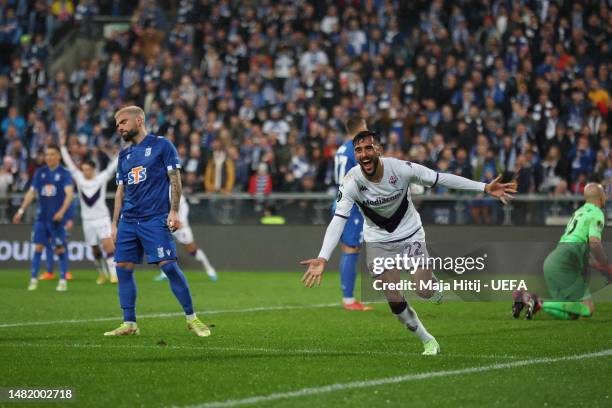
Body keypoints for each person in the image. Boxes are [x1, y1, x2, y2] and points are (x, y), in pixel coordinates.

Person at [301, 131, 516, 355]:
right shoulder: (351, 182)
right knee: (393, 297)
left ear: (378, 151)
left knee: (424, 291)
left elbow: (440, 177)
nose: (363, 154)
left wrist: (483, 187)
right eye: (358, 150)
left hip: (410, 234)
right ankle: (427, 340)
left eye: (368, 148)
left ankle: (431, 283)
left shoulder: (400, 169)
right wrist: (323, 256)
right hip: (378, 241)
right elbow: (338, 221)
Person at [105, 105, 210, 337]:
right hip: (128, 222)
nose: (119, 127)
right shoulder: (124, 155)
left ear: (139, 120)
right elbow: (120, 191)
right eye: (117, 124)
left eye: (123, 122)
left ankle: (192, 318)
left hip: (154, 218)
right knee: (122, 268)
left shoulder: (162, 145)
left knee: (169, 266)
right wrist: (114, 223)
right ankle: (129, 323)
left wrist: (174, 212)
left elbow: (175, 180)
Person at [514, 183, 611, 320]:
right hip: (566, 263)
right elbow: (594, 243)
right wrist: (605, 264)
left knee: (571, 314)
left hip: (553, 261)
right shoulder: (596, 213)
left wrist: (598, 266)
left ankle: (527, 299)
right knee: (587, 308)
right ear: (600, 197)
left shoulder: (578, 212)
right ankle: (538, 302)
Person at [13, 145, 74, 292]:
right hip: (41, 218)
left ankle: (62, 280)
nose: (49, 157)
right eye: (47, 155)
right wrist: (21, 211)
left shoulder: (64, 174)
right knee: (38, 246)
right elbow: (31, 193)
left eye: (52, 154)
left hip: (57, 220)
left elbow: (69, 195)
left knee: (59, 248)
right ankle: (33, 279)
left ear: (58, 156)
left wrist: (61, 212)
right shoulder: (40, 173)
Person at [59, 135, 119, 284]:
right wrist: (62, 147)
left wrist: (123, 151)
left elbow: (112, 166)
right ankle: (102, 273)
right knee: (94, 249)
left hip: (102, 218)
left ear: (93, 169)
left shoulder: (101, 178)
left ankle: (114, 274)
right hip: (87, 220)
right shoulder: (79, 178)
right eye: (84, 170)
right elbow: (69, 164)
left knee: (107, 244)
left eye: (88, 170)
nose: (85, 172)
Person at [332, 116, 370, 311]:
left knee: (350, 249)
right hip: (351, 206)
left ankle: (348, 297)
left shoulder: (341, 149)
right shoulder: (354, 150)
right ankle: (349, 300)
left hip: (339, 201)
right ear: (361, 127)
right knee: (351, 250)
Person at [154, 194, 217, 282]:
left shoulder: (178, 196)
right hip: (167, 225)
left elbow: (182, 211)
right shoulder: (160, 190)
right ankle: (165, 273)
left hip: (181, 228)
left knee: (192, 250)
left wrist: (180, 221)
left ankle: (209, 269)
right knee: (161, 248)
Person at [41, 204, 74, 281]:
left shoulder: (65, 192)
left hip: (62, 220)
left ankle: (65, 272)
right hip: (49, 220)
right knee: (49, 244)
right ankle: (49, 272)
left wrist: (70, 218)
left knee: (62, 245)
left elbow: (69, 202)